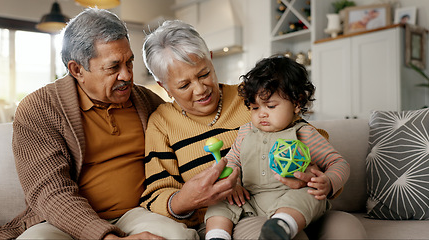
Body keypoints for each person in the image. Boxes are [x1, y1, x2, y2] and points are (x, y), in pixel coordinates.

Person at [140, 19, 365, 239]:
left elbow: (304, 134)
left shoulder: (254, 95)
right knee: (271, 231)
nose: (200, 89)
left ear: (210, 59)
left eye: (204, 74)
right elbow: (157, 194)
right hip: (234, 213)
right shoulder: (161, 124)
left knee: (347, 227)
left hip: (295, 199)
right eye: (184, 85)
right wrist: (189, 199)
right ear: (164, 86)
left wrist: (310, 174)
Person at [0, 8, 198, 240]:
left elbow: (188, 138)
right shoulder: (39, 108)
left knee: (178, 237)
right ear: (77, 70)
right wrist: (107, 238)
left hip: (138, 213)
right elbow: (50, 193)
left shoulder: (147, 101)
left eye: (129, 62)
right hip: (61, 221)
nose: (127, 75)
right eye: (113, 67)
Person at [204, 56, 350, 240]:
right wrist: (234, 182)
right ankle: (217, 235)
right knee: (221, 199)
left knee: (310, 195)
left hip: (289, 200)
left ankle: (281, 226)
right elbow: (232, 160)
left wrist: (328, 182)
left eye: (271, 106)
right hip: (250, 200)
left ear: (297, 104)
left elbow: (338, 162)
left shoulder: (304, 134)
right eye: (255, 108)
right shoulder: (245, 132)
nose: (262, 114)